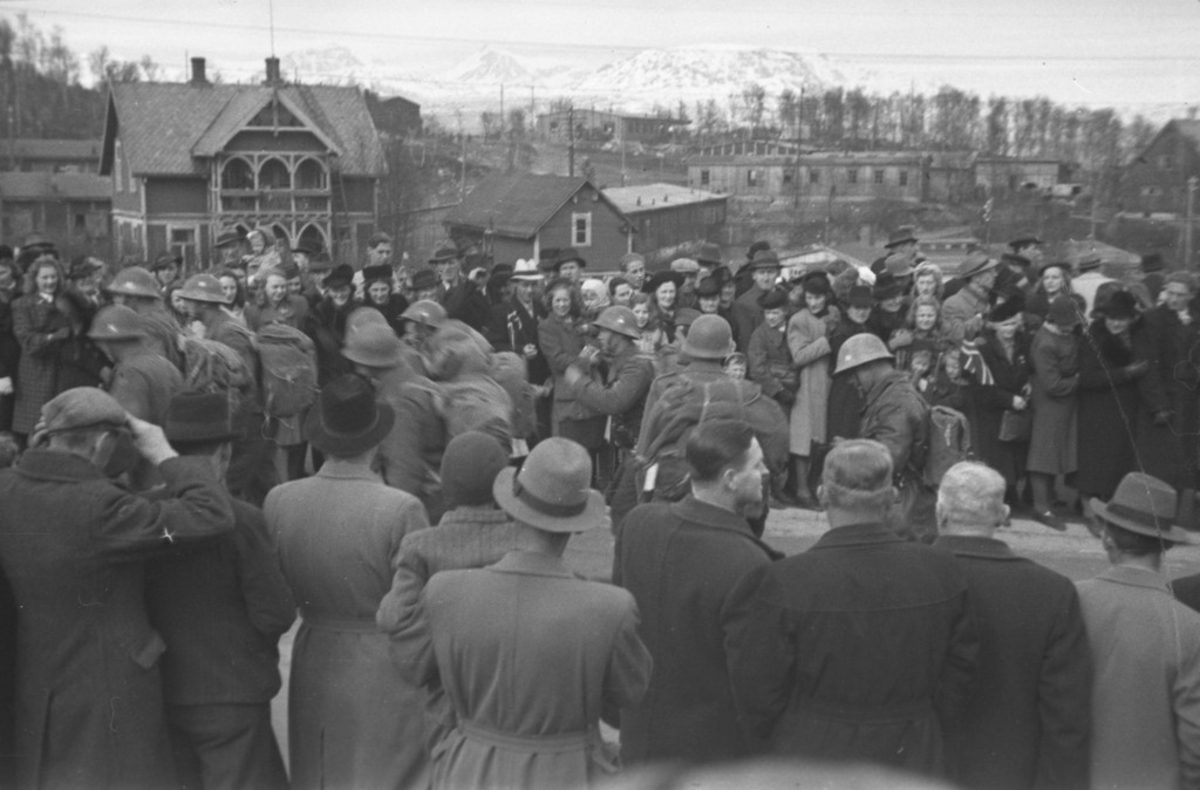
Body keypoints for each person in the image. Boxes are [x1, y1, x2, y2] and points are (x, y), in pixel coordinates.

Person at [0, 387, 235, 788]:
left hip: (35, 685)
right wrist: (163, 453)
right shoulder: (103, 508)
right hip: (109, 693)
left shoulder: (7, 488)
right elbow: (211, 514)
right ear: (106, 443)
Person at [392, 437, 652, 790]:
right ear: (577, 524)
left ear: (512, 507)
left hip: (469, 768)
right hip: (568, 771)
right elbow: (628, 695)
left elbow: (410, 663)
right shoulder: (611, 608)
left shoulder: (445, 591)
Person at [726, 439, 975, 780]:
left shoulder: (783, 581)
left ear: (823, 495)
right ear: (890, 498)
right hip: (913, 747)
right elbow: (959, 676)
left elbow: (757, 694)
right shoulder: (942, 571)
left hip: (812, 754)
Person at [266, 374, 431, 790]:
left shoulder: (281, 499)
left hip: (314, 650)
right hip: (382, 657)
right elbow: (415, 603)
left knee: (319, 767)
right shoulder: (401, 508)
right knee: (382, 770)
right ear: (376, 440)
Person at [145, 391, 294, 790]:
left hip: (164, 689)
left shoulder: (145, 514)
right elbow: (275, 614)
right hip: (232, 693)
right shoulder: (243, 521)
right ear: (224, 453)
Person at [617, 419, 780, 767]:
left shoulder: (638, 524)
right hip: (709, 755)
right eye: (757, 465)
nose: (765, 472)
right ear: (730, 480)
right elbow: (756, 685)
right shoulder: (751, 563)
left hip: (639, 740)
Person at [933, 462, 1091, 790]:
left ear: (940, 511)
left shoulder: (904, 579)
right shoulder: (1052, 591)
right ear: (1003, 514)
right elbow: (1066, 718)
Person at [1076, 472, 1200, 789]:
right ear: (1166, 545)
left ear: (1106, 537)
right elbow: (1195, 736)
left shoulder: (1072, 601)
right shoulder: (1188, 624)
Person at [832, 332, 933, 541]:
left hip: (901, 511)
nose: (852, 382)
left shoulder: (896, 401)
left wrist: (851, 450)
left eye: (853, 374)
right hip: (897, 505)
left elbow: (888, 460)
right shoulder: (890, 396)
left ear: (867, 367)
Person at [342, 323, 448, 521]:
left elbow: (405, 474)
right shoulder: (417, 382)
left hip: (423, 508)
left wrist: (389, 520)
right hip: (436, 499)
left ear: (365, 363)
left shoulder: (397, 401)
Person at [563, 305, 655, 529]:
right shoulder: (622, 360)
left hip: (642, 454)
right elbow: (581, 361)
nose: (600, 336)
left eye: (605, 331)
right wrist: (585, 361)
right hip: (632, 452)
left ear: (619, 335)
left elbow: (613, 402)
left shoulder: (637, 365)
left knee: (625, 512)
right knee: (622, 509)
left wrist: (578, 383)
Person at [1027, 294, 1083, 531]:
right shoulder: (1047, 343)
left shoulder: (1063, 333)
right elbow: (1053, 384)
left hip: (1061, 404)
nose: (1074, 325)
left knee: (1050, 454)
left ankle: (1046, 502)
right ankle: (1041, 507)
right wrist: (1079, 380)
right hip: (1051, 404)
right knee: (1043, 455)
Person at [971, 297, 1033, 507]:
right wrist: (1009, 399)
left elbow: (1031, 368)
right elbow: (981, 388)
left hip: (1016, 412)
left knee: (1015, 458)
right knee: (997, 461)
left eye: (1014, 324)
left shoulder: (1024, 342)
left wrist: (1030, 383)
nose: (1010, 329)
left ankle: (1012, 493)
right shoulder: (983, 348)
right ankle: (997, 500)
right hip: (991, 412)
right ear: (995, 325)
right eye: (1005, 324)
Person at [10, 256, 76, 441]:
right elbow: (27, 340)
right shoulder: (22, 304)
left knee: (61, 426)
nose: (50, 282)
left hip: (63, 370)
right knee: (36, 425)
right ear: (35, 279)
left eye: (54, 277)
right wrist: (54, 336)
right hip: (36, 372)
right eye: (45, 278)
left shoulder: (66, 302)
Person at [787, 273, 838, 508]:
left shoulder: (834, 315)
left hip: (828, 383)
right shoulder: (799, 319)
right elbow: (798, 356)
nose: (814, 302)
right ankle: (802, 490)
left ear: (826, 296)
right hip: (807, 384)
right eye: (810, 297)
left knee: (822, 439)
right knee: (803, 440)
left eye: (818, 297)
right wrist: (827, 341)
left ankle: (816, 487)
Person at [539, 277, 603, 446]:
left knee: (591, 447)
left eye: (565, 300)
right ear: (550, 302)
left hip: (589, 393)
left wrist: (590, 347)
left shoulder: (580, 322)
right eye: (557, 300)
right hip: (567, 396)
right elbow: (558, 359)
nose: (562, 304)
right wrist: (587, 361)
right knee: (567, 449)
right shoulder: (547, 327)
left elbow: (596, 344)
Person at [941, 251, 997, 344]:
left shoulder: (990, 300)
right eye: (990, 272)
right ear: (976, 278)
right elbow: (956, 336)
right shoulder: (953, 304)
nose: (995, 275)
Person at [731, 249, 781, 352]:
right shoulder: (743, 304)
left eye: (770, 272)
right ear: (754, 275)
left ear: (778, 273)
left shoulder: (783, 298)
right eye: (762, 273)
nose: (766, 278)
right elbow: (746, 345)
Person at [1070, 251, 1115, 315]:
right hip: (1103, 323)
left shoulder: (1070, 284)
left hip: (1077, 323)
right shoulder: (1113, 283)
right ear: (1100, 267)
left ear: (1080, 269)